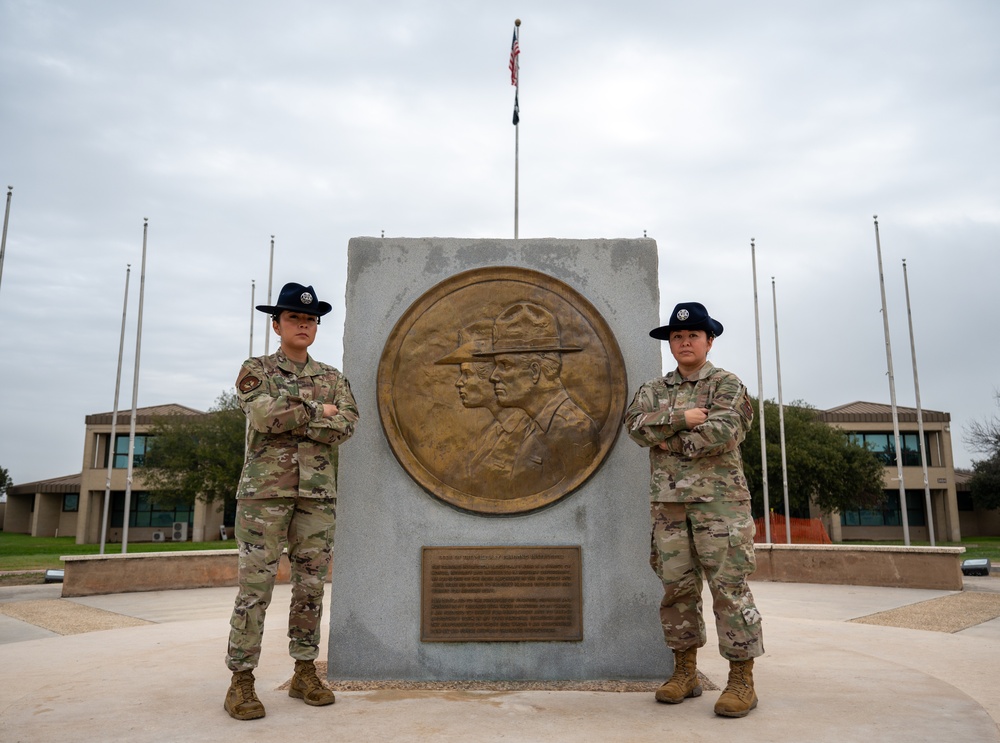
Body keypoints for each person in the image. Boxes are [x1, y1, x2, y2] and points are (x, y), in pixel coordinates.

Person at [224, 282, 359, 721]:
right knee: (255, 590)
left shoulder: (333, 377)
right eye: (294, 318)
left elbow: (350, 425)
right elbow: (263, 415)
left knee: (310, 589)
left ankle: (304, 671)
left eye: (309, 319)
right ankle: (241, 681)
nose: (303, 325)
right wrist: (321, 413)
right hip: (265, 495)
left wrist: (294, 414)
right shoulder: (255, 368)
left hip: (316, 498)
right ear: (277, 323)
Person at [623, 301, 763, 718]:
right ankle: (685, 673)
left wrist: (665, 438)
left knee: (729, 590)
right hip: (669, 506)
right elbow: (634, 425)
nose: (684, 342)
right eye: (677, 337)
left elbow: (724, 431)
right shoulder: (654, 388)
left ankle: (742, 680)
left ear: (709, 341)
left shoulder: (727, 385)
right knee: (676, 590)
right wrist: (684, 417)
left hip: (721, 505)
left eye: (693, 336)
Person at [476, 302, 599, 493]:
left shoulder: (573, 429)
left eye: (505, 365)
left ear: (535, 371)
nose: (494, 376)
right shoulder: (535, 424)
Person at [434, 320, 531, 498]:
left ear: (493, 376)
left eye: (467, 374)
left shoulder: (529, 432)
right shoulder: (494, 431)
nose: (459, 382)